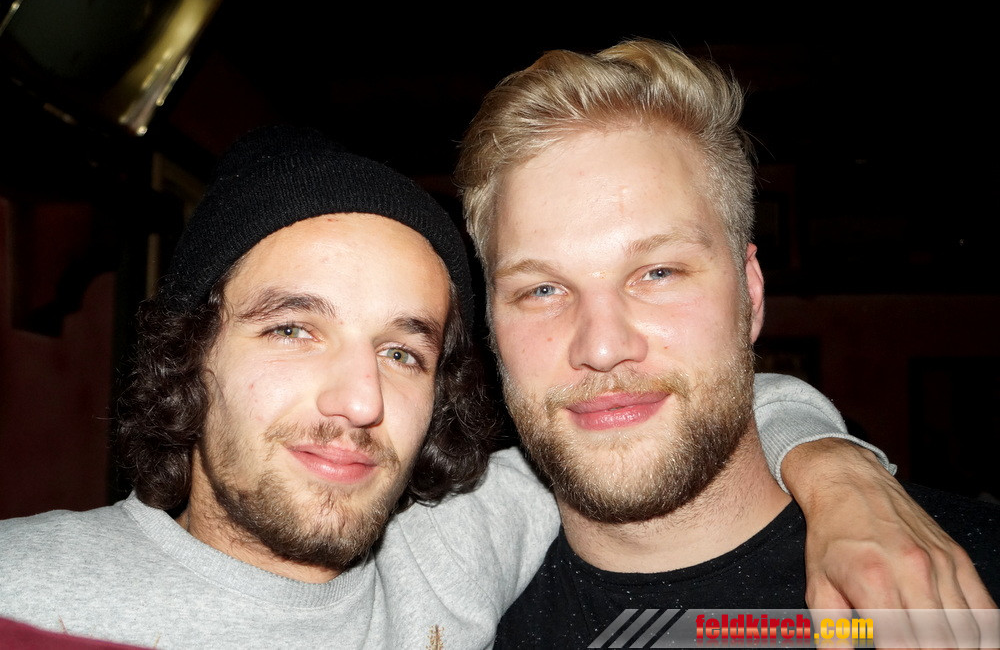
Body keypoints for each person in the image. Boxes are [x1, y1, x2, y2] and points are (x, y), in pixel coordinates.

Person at [0, 128, 978, 649]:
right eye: (295, 328)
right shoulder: (29, 589)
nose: (357, 401)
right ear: (188, 351)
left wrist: (840, 476)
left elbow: (659, 399)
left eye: (403, 351)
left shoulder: (450, 551)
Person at [454, 39, 1000, 648]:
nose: (602, 348)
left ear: (751, 293)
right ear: (490, 326)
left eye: (658, 273)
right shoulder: (434, 613)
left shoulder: (966, 582)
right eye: (542, 289)